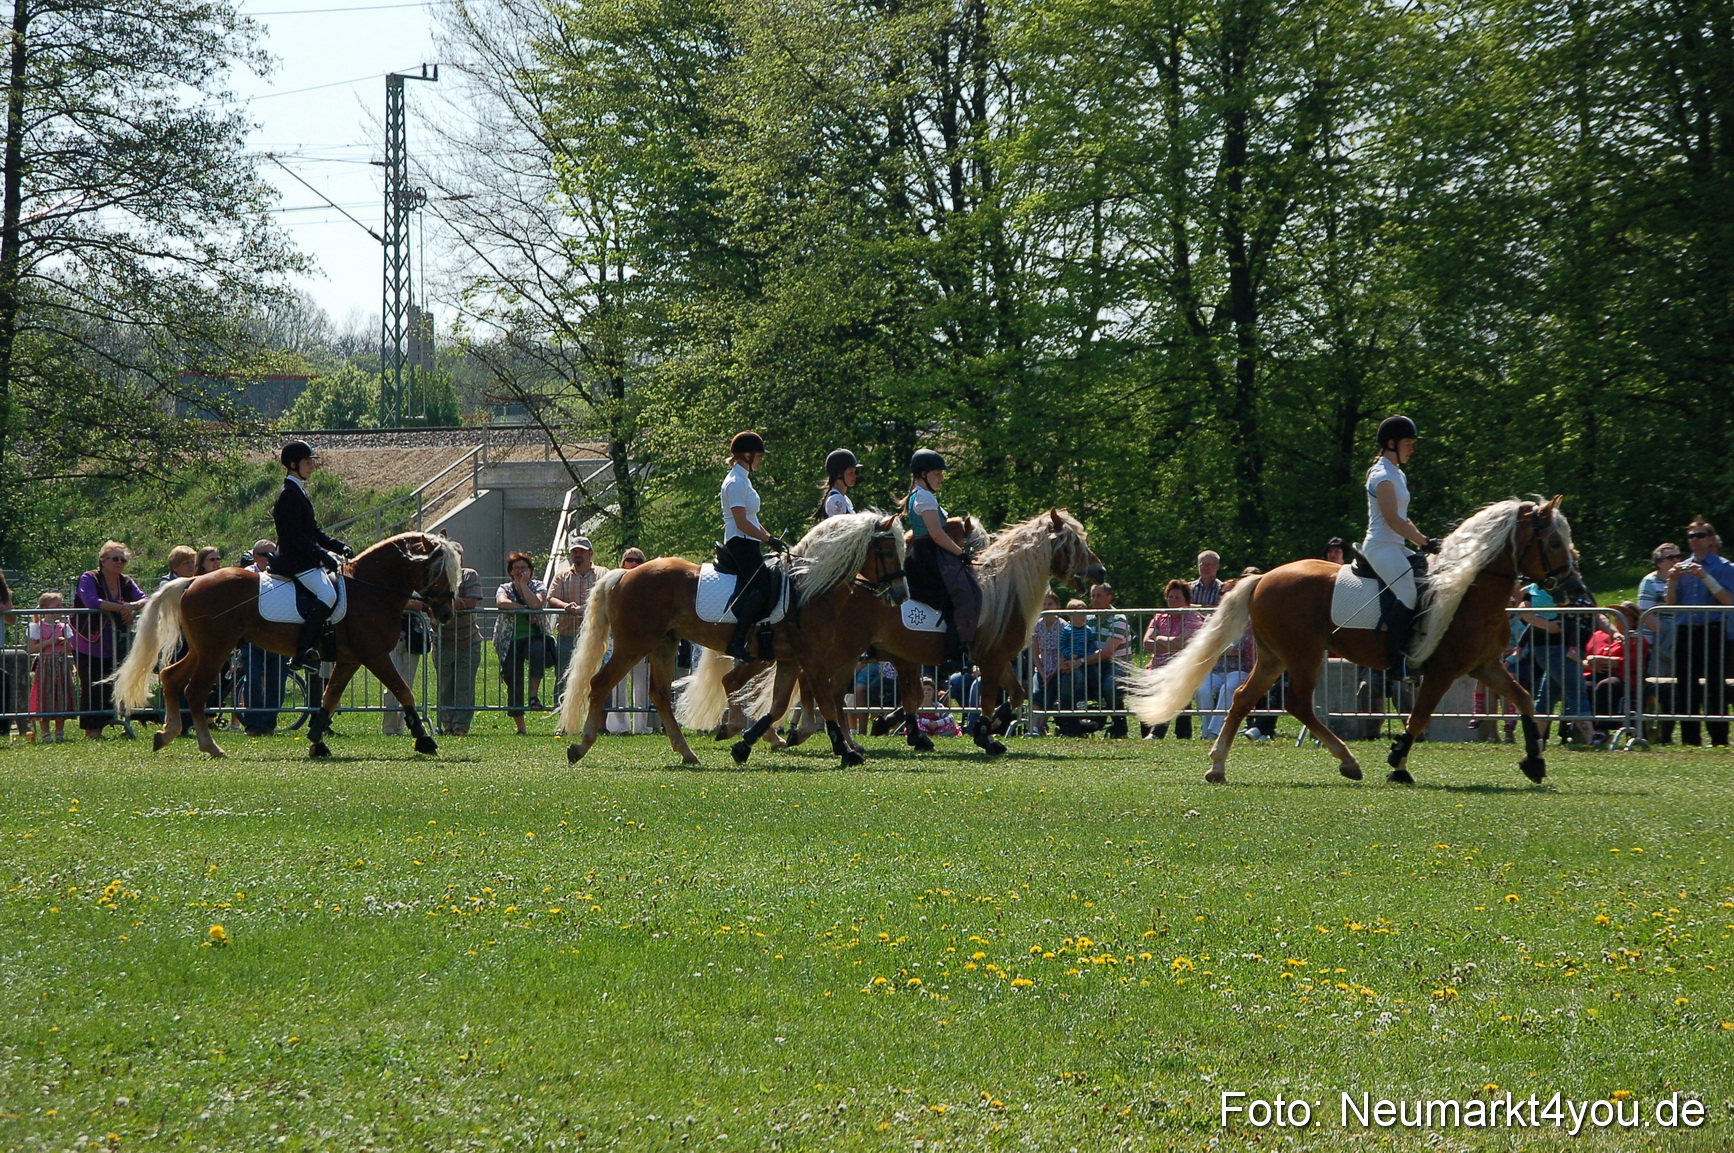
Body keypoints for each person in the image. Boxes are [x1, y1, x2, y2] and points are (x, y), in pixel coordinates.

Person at [1362, 415, 1441, 671]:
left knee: (1429, 580)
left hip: (1395, 545)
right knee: (1407, 593)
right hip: (1380, 546)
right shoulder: (1382, 475)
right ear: (1392, 443)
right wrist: (1424, 542)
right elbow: (1393, 520)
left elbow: (1404, 518)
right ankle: (1394, 660)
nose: (1412, 448)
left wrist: (1425, 542)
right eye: (1408, 442)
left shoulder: (1398, 474)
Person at [272, 440, 352, 671]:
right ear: (293, 464)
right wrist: (323, 556)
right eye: (308, 462)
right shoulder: (288, 494)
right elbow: (296, 536)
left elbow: (313, 531)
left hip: (306, 557)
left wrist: (338, 547)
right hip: (296, 560)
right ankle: (302, 652)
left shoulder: (298, 490)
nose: (312, 466)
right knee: (327, 594)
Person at [905, 449, 981, 667]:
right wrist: (961, 553)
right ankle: (952, 654)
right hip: (928, 557)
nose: (941, 478)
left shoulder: (919, 495)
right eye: (937, 473)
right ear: (922, 474)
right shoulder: (924, 497)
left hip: (926, 554)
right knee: (961, 596)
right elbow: (937, 534)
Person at [1665, 518, 1734, 746]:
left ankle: (1719, 739)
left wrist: (1705, 576)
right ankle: (1690, 739)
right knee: (1685, 686)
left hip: (1713, 630)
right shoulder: (1681, 567)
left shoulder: (1725, 567)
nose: (1694, 540)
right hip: (1686, 630)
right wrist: (1673, 582)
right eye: (1690, 536)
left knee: (1715, 685)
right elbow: (1671, 605)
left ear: (1711, 539)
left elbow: (1728, 601)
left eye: (1699, 536)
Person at [70, 541, 147, 738]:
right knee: (92, 684)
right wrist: (121, 608)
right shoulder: (89, 578)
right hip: (88, 641)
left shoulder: (126, 581)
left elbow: (144, 599)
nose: (119, 563)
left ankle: (115, 721)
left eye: (123, 559)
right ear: (103, 561)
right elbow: (91, 601)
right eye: (114, 558)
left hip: (114, 643)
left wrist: (131, 606)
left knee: (113, 684)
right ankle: (92, 729)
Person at [720, 431, 784, 660]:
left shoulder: (744, 480)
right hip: (740, 542)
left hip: (749, 541)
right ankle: (737, 641)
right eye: (758, 455)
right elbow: (741, 522)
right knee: (762, 587)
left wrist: (772, 538)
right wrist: (768, 540)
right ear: (747, 455)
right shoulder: (736, 483)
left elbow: (753, 519)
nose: (760, 460)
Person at [235, 540, 289, 736]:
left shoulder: (283, 573)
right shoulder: (247, 575)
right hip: (253, 637)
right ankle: (253, 724)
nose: (271, 558)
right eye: (267, 554)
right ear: (256, 556)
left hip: (278, 636)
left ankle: (268, 724)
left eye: (274, 554)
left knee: (277, 680)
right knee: (253, 680)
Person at [495, 551, 551, 735]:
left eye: (524, 568)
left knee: (538, 651)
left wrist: (524, 585)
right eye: (516, 568)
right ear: (510, 571)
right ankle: (521, 727)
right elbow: (502, 603)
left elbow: (537, 604)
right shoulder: (505, 588)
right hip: (509, 640)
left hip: (533, 636)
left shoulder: (538, 586)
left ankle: (533, 695)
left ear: (531, 571)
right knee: (513, 680)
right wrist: (524, 609)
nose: (520, 571)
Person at [548, 537, 607, 699]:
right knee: (563, 677)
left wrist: (585, 608)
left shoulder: (603, 573)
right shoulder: (561, 576)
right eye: (574, 552)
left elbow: (608, 598)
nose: (578, 555)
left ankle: (599, 719)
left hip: (596, 635)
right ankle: (562, 719)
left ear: (591, 553)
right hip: (567, 634)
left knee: (599, 676)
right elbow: (552, 598)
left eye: (581, 551)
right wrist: (565, 606)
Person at [435, 540, 483, 736]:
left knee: (464, 686)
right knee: (445, 686)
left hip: (468, 641)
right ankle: (447, 725)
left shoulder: (469, 575)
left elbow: (471, 601)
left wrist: (448, 602)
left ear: (461, 559)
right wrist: (455, 602)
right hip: (443, 641)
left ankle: (461, 727)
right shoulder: (437, 578)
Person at [1143, 579, 1202, 739]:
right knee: (1144, 685)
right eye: (1170, 597)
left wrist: (1160, 639)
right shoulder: (1159, 617)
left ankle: (1157, 733)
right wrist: (1172, 642)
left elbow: (1184, 643)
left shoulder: (1192, 618)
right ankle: (1148, 731)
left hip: (1182, 666)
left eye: (1177, 598)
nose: (1173, 601)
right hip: (1156, 666)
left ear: (1186, 601)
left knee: (1172, 685)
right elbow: (1146, 644)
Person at [607, 548, 657, 734]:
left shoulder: (650, 586)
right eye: (629, 560)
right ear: (623, 563)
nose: (633, 564)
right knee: (617, 687)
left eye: (638, 560)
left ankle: (642, 727)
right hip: (618, 640)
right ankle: (620, 727)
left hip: (642, 643)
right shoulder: (614, 583)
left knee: (642, 687)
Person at [1636, 542, 1682, 744]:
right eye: (1670, 558)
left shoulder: (1683, 579)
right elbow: (1646, 614)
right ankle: (1657, 734)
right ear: (1659, 562)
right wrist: (1668, 635)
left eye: (1677, 556)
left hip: (1680, 638)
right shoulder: (1649, 582)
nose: (1675, 561)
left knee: (1676, 688)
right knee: (1661, 689)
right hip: (1658, 643)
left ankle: (1668, 733)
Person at [1582, 602, 1642, 738]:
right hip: (1595, 673)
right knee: (1584, 686)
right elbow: (1583, 657)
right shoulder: (1598, 635)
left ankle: (1602, 728)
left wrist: (1606, 661)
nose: (1619, 617)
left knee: (1606, 685)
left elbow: (1633, 662)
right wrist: (1588, 663)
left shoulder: (1636, 639)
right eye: (1616, 613)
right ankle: (1582, 729)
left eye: (1626, 613)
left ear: (1634, 620)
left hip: (1621, 676)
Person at [26, 591, 75, 742]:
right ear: (45, 608)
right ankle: (45, 733)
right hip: (45, 664)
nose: (61, 608)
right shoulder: (36, 627)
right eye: (57, 605)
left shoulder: (63, 626)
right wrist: (50, 642)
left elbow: (70, 649)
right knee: (44, 697)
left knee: (62, 696)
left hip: (61, 664)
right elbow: (31, 649)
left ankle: (60, 732)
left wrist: (64, 642)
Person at [381, 594, 430, 736]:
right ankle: (388, 727)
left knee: (407, 686)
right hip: (391, 640)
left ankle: (400, 727)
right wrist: (408, 604)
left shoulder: (416, 586)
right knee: (391, 685)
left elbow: (422, 604)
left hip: (412, 640)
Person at [1088, 582, 1130, 737]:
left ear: (1109, 598)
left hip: (1118, 664)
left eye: (1099, 596)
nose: (1095, 600)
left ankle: (1120, 724)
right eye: (1092, 596)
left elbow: (1107, 652)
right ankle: (1073, 724)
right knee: (1073, 679)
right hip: (1095, 663)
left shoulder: (1119, 618)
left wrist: (1080, 661)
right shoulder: (1089, 618)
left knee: (1109, 685)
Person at [1053, 599, 1099, 736]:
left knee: (1094, 674)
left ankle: (1098, 696)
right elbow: (1062, 646)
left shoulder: (1088, 630)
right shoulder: (1067, 630)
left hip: (1085, 660)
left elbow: (1092, 644)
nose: (1082, 617)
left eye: (1084, 613)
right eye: (1079, 613)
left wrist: (1087, 654)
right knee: (1076, 677)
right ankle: (1076, 701)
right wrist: (1070, 655)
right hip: (1071, 661)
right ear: (1070, 616)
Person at [1028, 590, 1064, 735]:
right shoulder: (1037, 625)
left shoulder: (1063, 626)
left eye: (1050, 604)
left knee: (1049, 695)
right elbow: (1035, 653)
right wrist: (1042, 672)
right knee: (1036, 693)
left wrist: (1052, 674)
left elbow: (1063, 654)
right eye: (1044, 604)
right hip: (1042, 668)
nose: (1047, 607)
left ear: (1056, 606)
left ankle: (1038, 726)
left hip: (1058, 669)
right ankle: (1033, 727)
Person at [817, 449, 859, 519]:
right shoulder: (836, 499)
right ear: (839, 474)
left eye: (854, 472)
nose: (854, 476)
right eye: (850, 473)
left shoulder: (844, 498)